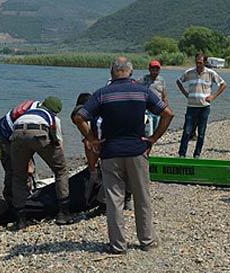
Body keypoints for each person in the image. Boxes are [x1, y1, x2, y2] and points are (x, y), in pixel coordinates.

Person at [73, 57, 174, 254]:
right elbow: (168, 113)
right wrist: (153, 138)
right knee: (142, 197)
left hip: (110, 153)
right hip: (137, 150)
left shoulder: (102, 94)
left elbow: (79, 117)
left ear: (112, 73)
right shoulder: (143, 91)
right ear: (130, 72)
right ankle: (147, 240)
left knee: (114, 200)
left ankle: (118, 245)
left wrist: (92, 139)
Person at [10, 96, 72, 228]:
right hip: (38, 131)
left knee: (18, 176)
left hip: (16, 132)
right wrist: (59, 160)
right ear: (56, 111)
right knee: (61, 171)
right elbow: (58, 143)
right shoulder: (54, 118)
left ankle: (20, 219)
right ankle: (63, 213)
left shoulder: (28, 113)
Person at [176, 53, 227, 158]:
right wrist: (186, 94)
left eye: (200, 62)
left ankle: (197, 154)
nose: (198, 64)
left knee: (201, 132)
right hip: (191, 106)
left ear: (205, 62)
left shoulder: (210, 73)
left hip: (204, 107)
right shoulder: (189, 72)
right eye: (196, 62)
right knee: (187, 131)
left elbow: (223, 84)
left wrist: (213, 96)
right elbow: (178, 81)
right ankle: (182, 154)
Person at [0, 99, 40, 201]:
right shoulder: (35, 118)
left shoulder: (38, 113)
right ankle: (11, 199)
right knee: (13, 168)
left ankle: (25, 193)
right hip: (3, 137)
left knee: (25, 167)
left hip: (16, 134)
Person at [138, 60, 168, 136]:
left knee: (156, 124)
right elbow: (135, 86)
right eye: (153, 70)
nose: (155, 72)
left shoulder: (161, 80)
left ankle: (152, 139)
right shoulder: (144, 79)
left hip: (158, 106)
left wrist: (166, 107)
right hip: (146, 108)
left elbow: (164, 95)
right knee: (146, 126)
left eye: (157, 70)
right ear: (149, 69)